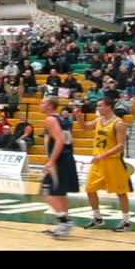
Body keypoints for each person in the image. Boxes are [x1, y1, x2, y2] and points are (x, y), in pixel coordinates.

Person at [75, 97, 133, 232]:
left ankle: (126, 221)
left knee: (121, 192)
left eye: (100, 106)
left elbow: (120, 146)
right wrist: (79, 117)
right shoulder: (99, 120)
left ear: (109, 107)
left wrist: (103, 155)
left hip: (113, 162)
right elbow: (85, 128)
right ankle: (97, 218)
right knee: (90, 189)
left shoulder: (119, 123)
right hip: (99, 162)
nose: (98, 108)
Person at [40, 97, 79, 239]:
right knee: (61, 193)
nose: (41, 105)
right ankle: (64, 225)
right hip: (67, 158)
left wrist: (51, 160)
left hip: (59, 161)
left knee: (46, 191)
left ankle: (65, 222)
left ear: (50, 105)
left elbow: (60, 140)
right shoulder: (64, 120)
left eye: (43, 103)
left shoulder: (51, 119)